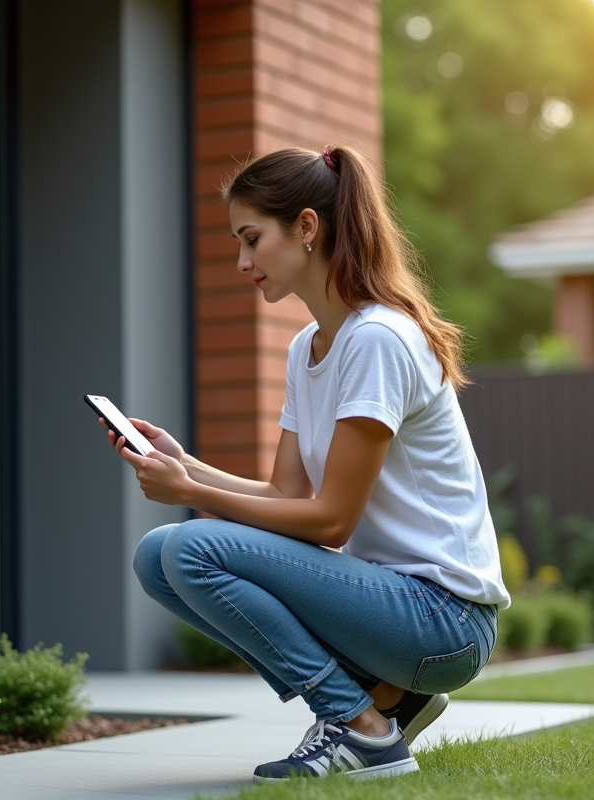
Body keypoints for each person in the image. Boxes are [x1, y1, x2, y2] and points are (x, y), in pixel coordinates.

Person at [100, 145, 509, 783]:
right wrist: (187, 466)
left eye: (252, 239)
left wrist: (190, 494)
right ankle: (386, 699)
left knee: (189, 548)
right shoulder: (307, 349)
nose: (242, 262)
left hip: (444, 622)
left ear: (307, 228)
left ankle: (359, 726)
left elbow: (329, 522)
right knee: (157, 557)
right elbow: (284, 494)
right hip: (390, 606)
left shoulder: (377, 340)